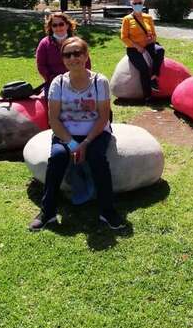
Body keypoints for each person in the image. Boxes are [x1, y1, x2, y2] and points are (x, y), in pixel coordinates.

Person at [29, 37, 126, 231]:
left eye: (77, 53)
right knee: (57, 157)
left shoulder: (99, 81)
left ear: (86, 55)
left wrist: (86, 143)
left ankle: (107, 211)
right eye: (67, 55)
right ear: (63, 59)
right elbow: (54, 119)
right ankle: (47, 212)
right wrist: (73, 144)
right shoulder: (58, 83)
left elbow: (103, 117)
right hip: (66, 133)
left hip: (96, 132)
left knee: (97, 157)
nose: (73, 58)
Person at [120, 0, 165, 102]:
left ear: (143, 4)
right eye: (135, 3)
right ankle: (147, 96)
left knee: (160, 50)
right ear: (131, 4)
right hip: (133, 49)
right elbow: (124, 37)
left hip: (148, 45)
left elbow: (154, 34)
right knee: (144, 69)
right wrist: (137, 46)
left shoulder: (148, 17)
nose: (137, 5)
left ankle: (154, 77)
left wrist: (152, 39)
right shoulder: (127, 19)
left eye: (139, 3)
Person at [35, 12, 90, 97]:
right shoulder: (44, 43)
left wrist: (79, 79)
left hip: (77, 81)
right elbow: (41, 66)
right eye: (54, 25)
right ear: (51, 27)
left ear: (67, 25)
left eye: (61, 24)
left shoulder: (77, 43)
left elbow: (87, 63)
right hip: (54, 83)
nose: (58, 27)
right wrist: (53, 80)